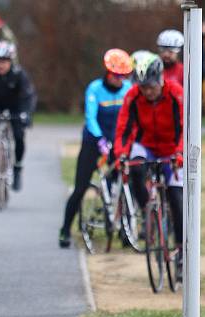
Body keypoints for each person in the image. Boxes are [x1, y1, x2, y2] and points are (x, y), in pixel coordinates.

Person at [114, 53, 184, 276]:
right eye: (143, 87)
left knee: (176, 197)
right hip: (146, 145)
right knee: (134, 166)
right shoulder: (133, 96)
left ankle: (182, 250)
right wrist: (121, 155)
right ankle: (148, 211)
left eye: (151, 87)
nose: (147, 92)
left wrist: (180, 153)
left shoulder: (176, 93)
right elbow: (124, 128)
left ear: (160, 79)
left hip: (172, 148)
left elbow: (186, 127)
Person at [59, 49, 132, 248]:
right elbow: (90, 117)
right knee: (80, 187)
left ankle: (124, 228)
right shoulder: (95, 88)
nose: (120, 80)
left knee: (123, 184)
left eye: (124, 76)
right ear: (108, 73)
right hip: (94, 142)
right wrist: (99, 139)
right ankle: (65, 229)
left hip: (116, 143)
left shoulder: (128, 89)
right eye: (117, 76)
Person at [0, 40, 36, 191]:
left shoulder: (20, 75)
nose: (1, 65)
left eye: (5, 61)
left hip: (16, 107)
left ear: (11, 61)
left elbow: (28, 97)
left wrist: (26, 114)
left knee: (19, 135)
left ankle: (18, 167)